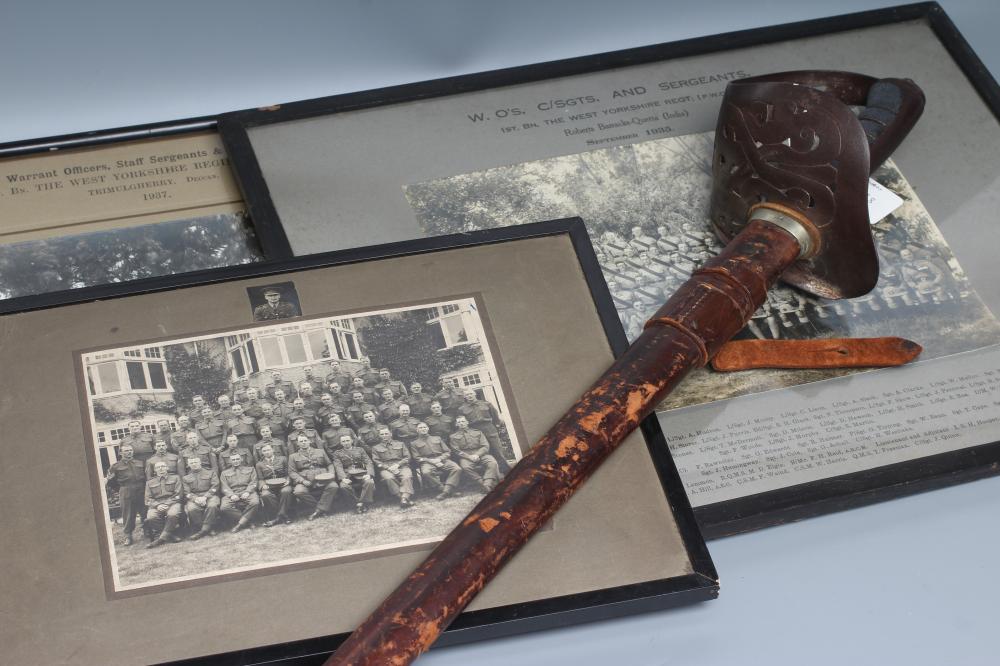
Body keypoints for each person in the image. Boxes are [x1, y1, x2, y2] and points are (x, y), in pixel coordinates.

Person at [456, 390, 511, 473]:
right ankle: (491, 473)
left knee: (497, 451)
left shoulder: (486, 404)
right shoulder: (462, 409)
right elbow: (463, 421)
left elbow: (495, 417)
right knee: (483, 453)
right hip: (475, 432)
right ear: (465, 397)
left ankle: (507, 472)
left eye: (471, 393)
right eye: (467, 395)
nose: (469, 396)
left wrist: (495, 426)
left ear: (475, 394)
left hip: (489, 429)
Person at [288, 434, 341, 520]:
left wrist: (331, 474)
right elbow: (292, 472)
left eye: (305, 440)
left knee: (333, 486)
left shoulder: (320, 451)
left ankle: (318, 510)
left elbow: (329, 464)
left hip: (322, 478)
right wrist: (302, 481)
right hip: (305, 480)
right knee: (298, 492)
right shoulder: (293, 456)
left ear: (309, 441)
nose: (304, 443)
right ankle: (321, 508)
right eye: (301, 441)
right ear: (297, 443)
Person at [104, 444, 146, 546]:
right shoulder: (115, 466)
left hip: (141, 490)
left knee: (144, 512)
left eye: (130, 450)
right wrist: (122, 489)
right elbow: (110, 482)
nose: (129, 452)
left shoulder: (140, 463)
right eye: (126, 451)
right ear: (121, 453)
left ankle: (148, 532)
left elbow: (145, 476)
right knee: (128, 514)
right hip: (126, 490)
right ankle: (128, 536)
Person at [409, 422, 461, 500]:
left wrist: (439, 459)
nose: (423, 429)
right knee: (426, 472)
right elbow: (417, 458)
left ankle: (445, 492)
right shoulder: (414, 443)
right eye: (420, 428)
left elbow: (447, 451)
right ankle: (445, 490)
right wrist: (432, 461)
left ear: (428, 428)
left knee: (457, 469)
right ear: (417, 430)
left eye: (425, 427)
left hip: (442, 460)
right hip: (427, 463)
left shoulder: (437, 438)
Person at [449, 416, 499, 492]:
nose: (461, 423)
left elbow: (485, 446)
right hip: (466, 456)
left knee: (493, 463)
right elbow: (456, 451)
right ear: (456, 424)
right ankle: (482, 483)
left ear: (467, 422)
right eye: (459, 422)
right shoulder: (453, 436)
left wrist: (477, 455)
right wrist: (469, 457)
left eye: (463, 421)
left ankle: (487, 483)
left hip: (481, 453)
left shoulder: (478, 432)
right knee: (465, 467)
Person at [331, 434, 376, 513]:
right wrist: (343, 478)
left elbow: (368, 462)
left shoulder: (360, 450)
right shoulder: (337, 453)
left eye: (347, 440)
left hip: (361, 472)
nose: (346, 443)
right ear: (341, 443)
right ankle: (356, 503)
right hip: (347, 474)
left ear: (352, 441)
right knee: (343, 486)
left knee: (369, 482)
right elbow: (338, 466)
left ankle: (362, 503)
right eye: (343, 441)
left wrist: (369, 474)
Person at [370, 426, 414, 507]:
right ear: (379, 435)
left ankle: (404, 498)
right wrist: (388, 468)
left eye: (386, 433)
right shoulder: (375, 448)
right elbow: (376, 461)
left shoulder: (400, 443)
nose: (384, 435)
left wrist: (398, 465)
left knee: (407, 476)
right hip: (386, 468)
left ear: (390, 434)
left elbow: (407, 457)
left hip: (402, 466)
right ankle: (403, 498)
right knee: (389, 478)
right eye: (382, 434)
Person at [144, 461, 184, 548]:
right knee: (151, 517)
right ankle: (170, 535)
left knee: (172, 514)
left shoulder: (176, 478)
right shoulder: (149, 482)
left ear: (167, 468)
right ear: (154, 470)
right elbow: (148, 498)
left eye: (163, 466)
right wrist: (157, 505)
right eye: (158, 467)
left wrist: (167, 504)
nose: (161, 469)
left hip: (173, 502)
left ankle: (160, 539)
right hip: (156, 504)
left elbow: (178, 494)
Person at [219, 452, 260, 533]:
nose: (236, 461)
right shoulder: (224, 473)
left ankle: (240, 525)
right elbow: (224, 487)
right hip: (233, 493)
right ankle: (248, 521)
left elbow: (254, 482)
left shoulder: (251, 469)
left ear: (241, 459)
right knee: (224, 507)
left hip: (247, 491)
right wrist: (231, 495)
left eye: (237, 459)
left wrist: (248, 492)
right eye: (233, 459)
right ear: (230, 461)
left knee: (255, 502)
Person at [182, 456, 220, 541]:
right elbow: (187, 492)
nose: (194, 464)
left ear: (200, 463)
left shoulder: (211, 473)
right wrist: (196, 499)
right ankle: (207, 529)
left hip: (210, 496)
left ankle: (203, 531)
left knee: (212, 506)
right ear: (188, 465)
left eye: (196, 462)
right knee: (191, 509)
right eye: (191, 463)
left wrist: (205, 497)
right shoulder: (186, 478)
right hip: (194, 498)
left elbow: (215, 486)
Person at [255, 443, 293, 527]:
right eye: (264, 451)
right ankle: (284, 516)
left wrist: (288, 481)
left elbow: (289, 473)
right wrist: (263, 485)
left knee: (286, 491)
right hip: (269, 485)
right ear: (262, 452)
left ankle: (277, 518)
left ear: (273, 450)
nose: (267, 452)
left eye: (268, 450)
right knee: (265, 495)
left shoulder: (283, 459)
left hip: (283, 483)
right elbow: (260, 479)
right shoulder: (259, 464)